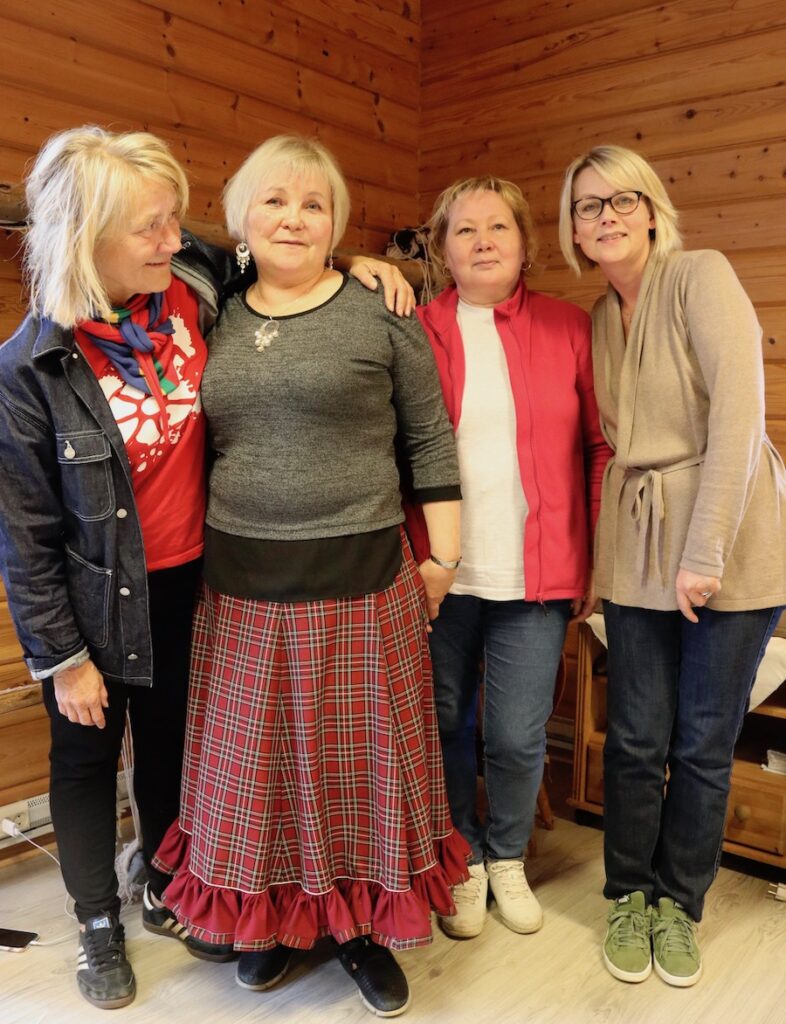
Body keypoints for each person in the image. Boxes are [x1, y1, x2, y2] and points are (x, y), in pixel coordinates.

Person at [0, 125, 413, 1011]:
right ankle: (98, 926)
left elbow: (288, 250)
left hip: (203, 581)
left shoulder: (190, 290)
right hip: (94, 601)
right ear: (89, 239)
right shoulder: (29, 367)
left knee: (177, 754)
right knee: (83, 759)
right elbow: (25, 533)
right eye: (150, 226)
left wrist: (369, 261)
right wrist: (61, 656)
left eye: (175, 221)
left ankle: (164, 884)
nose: (174, 238)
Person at [153, 135, 470, 1018]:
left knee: (362, 771)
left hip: (366, 582)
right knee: (260, 771)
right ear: (243, 216)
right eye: (275, 201)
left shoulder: (381, 311)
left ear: (337, 222)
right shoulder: (206, 307)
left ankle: (363, 931)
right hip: (241, 586)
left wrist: (442, 559)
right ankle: (269, 923)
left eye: (316, 204)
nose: (295, 218)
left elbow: (429, 439)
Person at [559, 144, 786, 987]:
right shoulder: (596, 315)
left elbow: (739, 414)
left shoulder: (701, 275)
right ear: (574, 229)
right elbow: (610, 449)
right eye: (587, 206)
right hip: (642, 545)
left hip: (727, 543)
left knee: (699, 742)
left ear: (653, 209)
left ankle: (679, 906)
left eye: (622, 199)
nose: (606, 216)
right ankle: (628, 894)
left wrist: (705, 553)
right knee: (635, 738)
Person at [404, 176, 610, 940]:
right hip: (439, 576)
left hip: (539, 574)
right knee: (446, 724)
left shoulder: (568, 328)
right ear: (442, 247)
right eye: (465, 230)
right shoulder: (414, 330)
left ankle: (506, 857)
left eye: (499, 228)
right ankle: (456, 856)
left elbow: (598, 447)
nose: (483, 241)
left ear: (526, 243)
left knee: (520, 734)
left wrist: (593, 561)